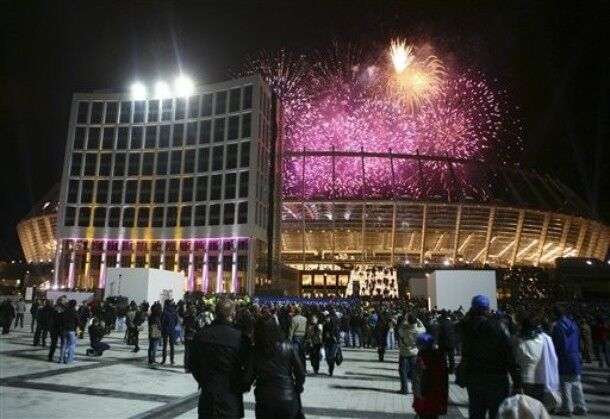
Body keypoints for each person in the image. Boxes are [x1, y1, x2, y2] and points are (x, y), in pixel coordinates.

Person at [460, 295, 522, 419]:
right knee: (497, 413)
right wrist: (517, 381)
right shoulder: (499, 326)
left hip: (474, 377)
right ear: (488, 308)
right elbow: (509, 354)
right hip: (496, 378)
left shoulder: (466, 327)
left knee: (476, 413)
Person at [191, 299, 249, 418]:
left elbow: (193, 364)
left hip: (208, 396)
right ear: (233, 314)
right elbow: (249, 369)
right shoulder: (240, 338)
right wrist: (241, 386)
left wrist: (204, 380)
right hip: (231, 397)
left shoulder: (201, 335)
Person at [248, 316, 306, 419]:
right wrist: (298, 387)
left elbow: (248, 377)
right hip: (287, 395)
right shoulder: (288, 346)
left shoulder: (255, 351)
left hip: (264, 398)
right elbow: (300, 372)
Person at [552, 305, 587, 416]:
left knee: (565, 384)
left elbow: (557, 344)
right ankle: (581, 406)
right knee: (576, 383)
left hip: (564, 358)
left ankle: (567, 408)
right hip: (575, 356)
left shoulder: (558, 326)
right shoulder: (574, 325)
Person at [412, 333, 448, 419]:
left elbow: (417, 379)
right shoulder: (439, 357)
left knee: (425, 414)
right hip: (436, 395)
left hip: (424, 396)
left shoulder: (421, 359)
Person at [515, 316, 547, 402]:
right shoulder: (542, 342)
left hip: (526, 379)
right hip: (540, 380)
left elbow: (517, 361)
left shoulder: (522, 346)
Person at [398, 313, 426, 394]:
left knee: (402, 370)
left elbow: (399, 331)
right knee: (415, 371)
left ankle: (404, 389)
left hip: (404, 352)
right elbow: (424, 328)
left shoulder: (405, 330)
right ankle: (415, 389)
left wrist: (404, 321)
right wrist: (418, 320)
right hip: (415, 351)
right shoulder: (419, 330)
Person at [288, 306, 307, 371]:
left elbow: (291, 329)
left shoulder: (293, 319)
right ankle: (303, 368)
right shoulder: (305, 319)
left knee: (295, 353)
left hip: (296, 336)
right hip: (303, 336)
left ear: (295, 311)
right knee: (302, 354)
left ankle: (296, 368)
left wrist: (289, 338)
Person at [182, 304, 200, 373]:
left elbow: (183, 326)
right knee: (191, 353)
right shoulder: (196, 319)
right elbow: (198, 328)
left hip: (187, 336)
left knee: (187, 352)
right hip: (193, 337)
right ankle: (189, 367)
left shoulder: (186, 318)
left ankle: (186, 367)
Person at [59, 300, 78, 364]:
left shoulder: (64, 311)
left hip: (64, 330)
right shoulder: (74, 312)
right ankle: (69, 360)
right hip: (71, 330)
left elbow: (61, 320)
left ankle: (61, 360)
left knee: (63, 345)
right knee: (72, 345)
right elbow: (77, 321)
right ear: (75, 305)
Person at [48, 296, 66, 362]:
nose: (64, 302)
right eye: (63, 300)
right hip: (59, 328)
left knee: (54, 343)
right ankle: (62, 357)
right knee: (62, 343)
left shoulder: (54, 308)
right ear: (60, 301)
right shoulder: (62, 308)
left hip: (56, 328)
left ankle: (51, 356)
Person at [322, 310, 340, 376]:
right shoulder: (324, 326)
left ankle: (331, 370)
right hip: (326, 343)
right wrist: (322, 342)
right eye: (326, 318)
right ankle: (330, 367)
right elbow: (323, 335)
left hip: (333, 343)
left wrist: (338, 341)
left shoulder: (334, 326)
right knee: (327, 357)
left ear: (330, 318)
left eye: (328, 318)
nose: (327, 319)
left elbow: (337, 334)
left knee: (332, 357)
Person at [161, 299, 178, 365]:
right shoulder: (174, 311)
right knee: (172, 346)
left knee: (164, 346)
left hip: (165, 330)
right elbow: (176, 321)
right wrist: (173, 325)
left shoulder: (164, 312)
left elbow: (162, 321)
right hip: (172, 330)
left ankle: (163, 360)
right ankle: (172, 360)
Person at [148, 302, 162, 367]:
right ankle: (152, 360)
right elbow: (158, 325)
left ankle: (151, 359)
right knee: (154, 347)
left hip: (152, 332)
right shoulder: (156, 317)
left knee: (152, 346)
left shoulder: (151, 316)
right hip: (155, 332)